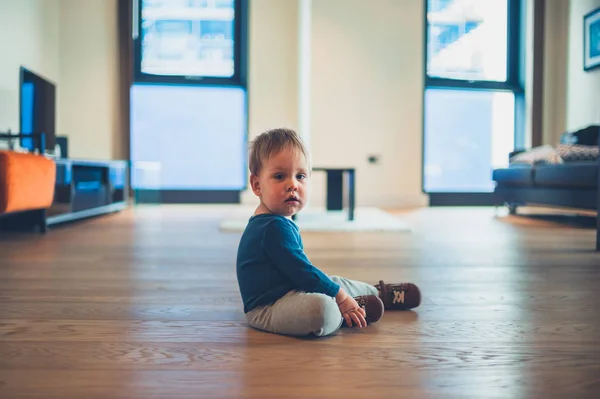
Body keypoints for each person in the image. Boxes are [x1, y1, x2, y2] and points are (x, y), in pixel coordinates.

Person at [236, 128, 421, 337]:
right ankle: (347, 310)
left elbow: (303, 277)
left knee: (333, 282)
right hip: (268, 308)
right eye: (279, 176)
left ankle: (380, 294)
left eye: (301, 176)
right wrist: (340, 297)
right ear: (257, 185)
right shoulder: (271, 228)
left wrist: (336, 290)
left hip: (291, 291)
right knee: (320, 309)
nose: (293, 185)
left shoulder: (276, 221)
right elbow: (302, 272)